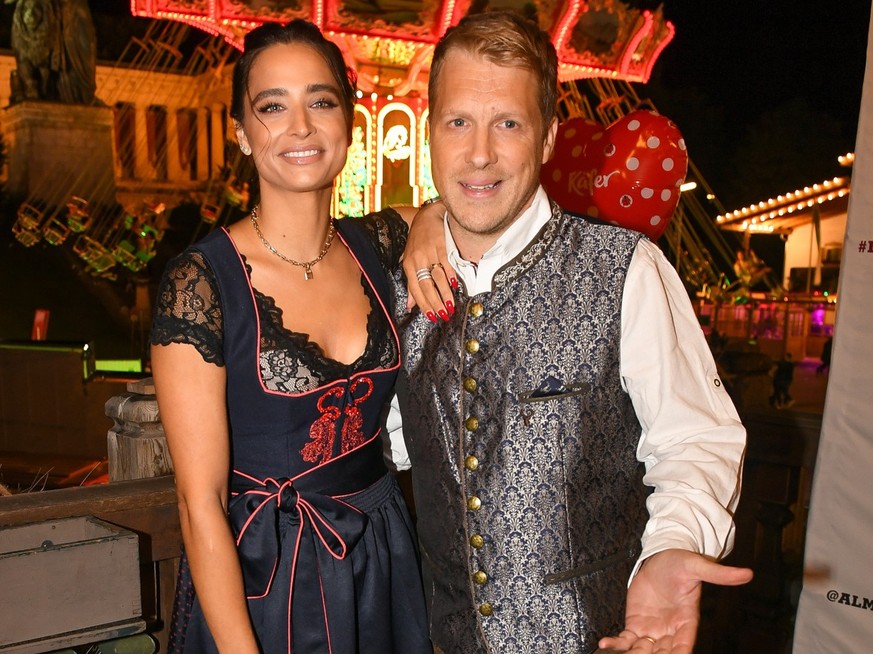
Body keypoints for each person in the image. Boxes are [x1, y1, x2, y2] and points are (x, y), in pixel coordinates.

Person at [393, 10, 752, 654]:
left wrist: (672, 548)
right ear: (429, 133)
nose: (479, 153)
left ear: (549, 137)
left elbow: (695, 440)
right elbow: (384, 447)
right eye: (458, 123)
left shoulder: (627, 270)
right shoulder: (394, 287)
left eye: (508, 123)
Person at [149, 20, 441, 653]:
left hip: (381, 559)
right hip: (265, 578)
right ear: (243, 133)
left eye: (321, 101)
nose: (301, 126)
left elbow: (467, 206)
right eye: (272, 107)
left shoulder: (380, 244)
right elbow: (197, 504)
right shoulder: (201, 282)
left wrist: (432, 217)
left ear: (349, 121)